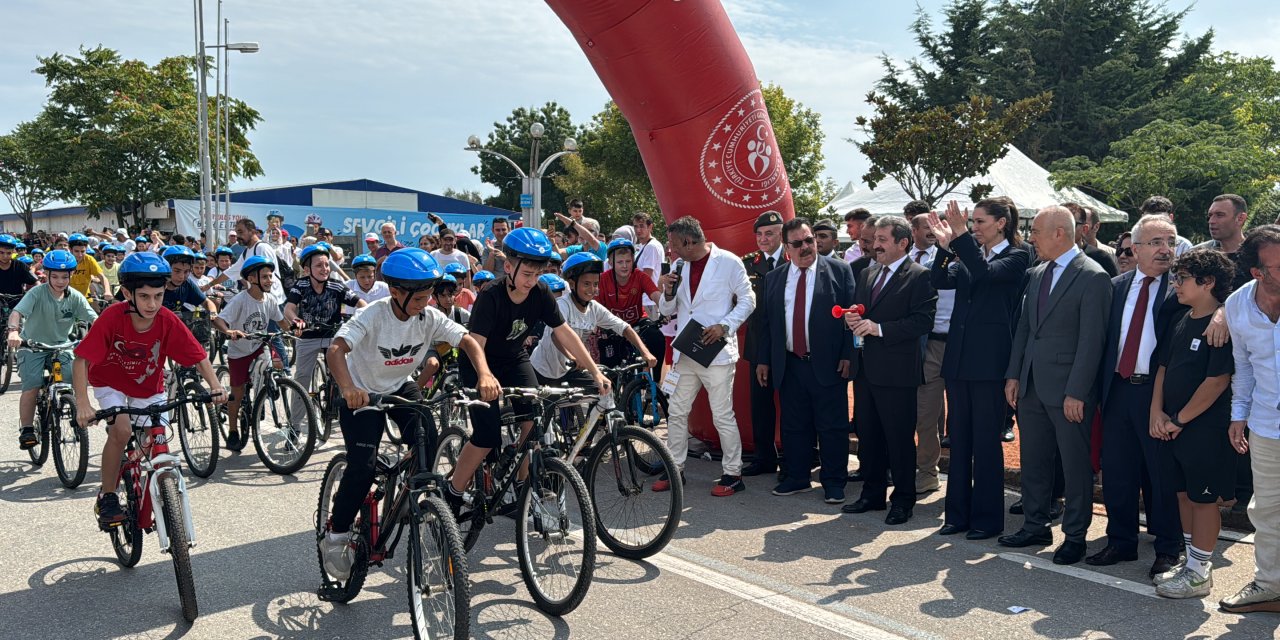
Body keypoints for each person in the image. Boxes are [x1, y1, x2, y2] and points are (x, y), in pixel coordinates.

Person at [318, 248, 496, 581]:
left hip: (400, 386)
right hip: (362, 392)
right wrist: (348, 389)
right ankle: (337, 532)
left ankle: (411, 502)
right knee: (363, 467)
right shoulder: (373, 315)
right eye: (420, 297)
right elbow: (336, 350)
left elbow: (469, 341)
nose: (426, 302)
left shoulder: (429, 316)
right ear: (396, 292)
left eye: (430, 295)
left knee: (425, 444)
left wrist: (484, 374)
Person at [445, 228, 606, 510]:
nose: (532, 282)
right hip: (479, 363)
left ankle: (521, 483)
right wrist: (484, 376)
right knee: (487, 436)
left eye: (537, 274)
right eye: (527, 275)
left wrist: (595, 371)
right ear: (508, 267)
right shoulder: (491, 296)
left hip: (513, 358)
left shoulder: (541, 292)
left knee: (533, 421)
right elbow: (476, 345)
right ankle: (454, 491)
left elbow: (564, 331)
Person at [73, 252, 226, 528]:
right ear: (126, 293)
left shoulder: (166, 319)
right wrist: (83, 403)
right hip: (111, 382)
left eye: (158, 295)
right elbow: (81, 359)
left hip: (148, 387)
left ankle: (154, 491)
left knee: (157, 439)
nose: (153, 303)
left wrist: (215, 385)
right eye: (144, 296)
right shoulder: (112, 316)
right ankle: (107, 496)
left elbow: (198, 354)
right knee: (121, 431)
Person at [1000, 205, 1112, 565]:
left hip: (1068, 391)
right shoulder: (1036, 273)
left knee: (1075, 465)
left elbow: (1092, 340)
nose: (1030, 238)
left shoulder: (1092, 276)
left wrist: (1077, 391)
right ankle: (1034, 525)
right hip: (1031, 385)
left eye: (1036, 232)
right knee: (1034, 461)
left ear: (1059, 234)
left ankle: (1075, 536)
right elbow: (1024, 329)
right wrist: (1014, 374)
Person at [926, 197, 1029, 539]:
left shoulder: (1017, 256)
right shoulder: (972, 254)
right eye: (972, 223)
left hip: (990, 364)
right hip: (959, 361)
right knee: (959, 440)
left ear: (1002, 223)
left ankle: (986, 519)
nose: (974, 228)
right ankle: (956, 514)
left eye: (980, 222)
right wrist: (945, 247)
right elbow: (937, 281)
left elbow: (985, 275)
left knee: (985, 442)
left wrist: (960, 239)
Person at [1089, 214, 1186, 577]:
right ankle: (1121, 541)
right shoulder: (1116, 286)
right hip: (1117, 390)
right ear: (1136, 248)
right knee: (1117, 471)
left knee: (1161, 474)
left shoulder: (1182, 288)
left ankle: (1168, 547)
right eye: (1157, 242)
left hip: (1158, 395)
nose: (1165, 250)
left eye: (1170, 242)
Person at [1148, 249, 1236, 599]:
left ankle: (1200, 572)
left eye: (1182, 278)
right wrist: (1157, 412)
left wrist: (1180, 419)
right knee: (1183, 495)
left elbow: (1217, 381)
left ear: (1208, 282)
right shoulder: (1182, 319)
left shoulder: (1221, 325)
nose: (1176, 284)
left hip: (1203, 429)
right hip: (1172, 426)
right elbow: (1164, 369)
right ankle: (1192, 564)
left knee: (1203, 500)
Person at [841, 215, 936, 524]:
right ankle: (872, 494)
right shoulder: (867, 275)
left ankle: (903, 500)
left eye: (882, 239)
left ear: (902, 243)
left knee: (898, 439)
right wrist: (852, 320)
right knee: (869, 436)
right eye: (875, 239)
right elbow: (859, 311)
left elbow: (922, 321)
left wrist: (879, 329)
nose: (875, 245)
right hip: (867, 370)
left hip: (897, 373)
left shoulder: (919, 276)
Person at [755, 218, 856, 504]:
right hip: (790, 364)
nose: (805, 247)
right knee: (794, 424)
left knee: (832, 426)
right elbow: (767, 324)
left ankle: (834, 482)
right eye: (797, 243)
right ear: (786, 248)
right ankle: (797, 477)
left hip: (828, 363)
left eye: (809, 240)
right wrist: (764, 360)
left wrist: (849, 354)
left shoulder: (839, 270)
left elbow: (852, 317)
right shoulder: (775, 277)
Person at [656, 216, 755, 496]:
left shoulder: (728, 262)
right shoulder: (678, 266)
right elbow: (667, 310)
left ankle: (732, 473)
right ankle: (675, 469)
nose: (671, 250)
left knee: (722, 414)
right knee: (676, 411)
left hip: (717, 352)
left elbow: (749, 300)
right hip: (686, 352)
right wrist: (667, 291)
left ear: (689, 242)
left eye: (675, 245)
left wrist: (725, 326)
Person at [1220, 225, 1280, 613]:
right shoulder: (1239, 305)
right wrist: (1238, 415)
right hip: (1265, 425)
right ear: (1258, 273)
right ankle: (1270, 585)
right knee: (1267, 509)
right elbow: (1242, 366)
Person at [11, 250, 98, 450]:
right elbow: (17, 312)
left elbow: (94, 319)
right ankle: (27, 429)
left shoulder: (75, 296)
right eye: (55, 276)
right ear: (47, 275)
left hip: (62, 346)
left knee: (74, 379)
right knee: (32, 385)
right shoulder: (36, 293)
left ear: (71, 276)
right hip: (32, 346)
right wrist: (14, 332)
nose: (60, 281)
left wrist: (106, 335)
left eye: (65, 276)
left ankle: (76, 410)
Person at [531, 252, 657, 389]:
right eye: (586, 284)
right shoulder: (562, 305)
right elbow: (556, 337)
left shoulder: (594, 308)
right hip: (541, 370)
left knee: (604, 389)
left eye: (596, 284)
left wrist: (645, 352)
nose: (592, 289)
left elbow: (625, 328)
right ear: (572, 284)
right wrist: (573, 357)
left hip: (569, 369)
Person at [284, 244, 366, 433]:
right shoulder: (301, 286)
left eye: (327, 265)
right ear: (307, 269)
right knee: (301, 380)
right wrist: (296, 320)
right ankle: (294, 426)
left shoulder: (337, 286)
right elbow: (289, 309)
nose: (325, 269)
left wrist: (362, 315)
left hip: (332, 338)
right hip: (308, 338)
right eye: (319, 266)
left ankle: (342, 409)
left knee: (345, 376)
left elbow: (360, 303)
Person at [211, 256, 285, 450]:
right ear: (252, 279)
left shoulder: (270, 299)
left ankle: (262, 397)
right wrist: (229, 331)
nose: (270, 280)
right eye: (266, 277)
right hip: (240, 351)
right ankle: (233, 430)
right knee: (238, 391)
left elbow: (282, 321)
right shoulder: (240, 300)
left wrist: (297, 326)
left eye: (271, 276)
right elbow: (218, 320)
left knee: (272, 368)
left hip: (259, 347)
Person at [741, 211, 788, 477]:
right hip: (758, 344)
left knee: (794, 404)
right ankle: (764, 458)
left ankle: (798, 456)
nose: (763, 239)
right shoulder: (749, 264)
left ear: (781, 235)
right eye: (759, 234)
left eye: (769, 233)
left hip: (789, 344)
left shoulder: (793, 259)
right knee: (760, 405)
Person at [597, 238, 666, 378]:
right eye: (620, 262)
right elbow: (595, 307)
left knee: (657, 337)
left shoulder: (639, 276)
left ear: (633, 260)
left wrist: (665, 309)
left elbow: (656, 295)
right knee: (610, 369)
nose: (624, 266)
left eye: (628, 261)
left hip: (637, 323)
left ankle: (655, 382)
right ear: (610, 263)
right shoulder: (602, 279)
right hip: (611, 326)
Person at [1065, 203, 1118, 277]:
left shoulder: (1103, 258)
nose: (1062, 230)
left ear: (1084, 228)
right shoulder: (1048, 256)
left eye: (1071, 224)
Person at [67, 233, 111, 301]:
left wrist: (107, 291)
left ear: (86, 248)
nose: (80, 255)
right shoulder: (65, 260)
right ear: (70, 249)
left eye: (83, 251)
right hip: (67, 297)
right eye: (76, 251)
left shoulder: (89, 259)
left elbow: (102, 277)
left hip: (85, 298)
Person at [630, 211, 666, 283]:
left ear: (650, 227)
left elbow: (646, 277)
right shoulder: (643, 245)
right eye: (635, 226)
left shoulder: (651, 246)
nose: (638, 230)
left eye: (641, 226)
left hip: (647, 293)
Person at [0, 234, 37, 299]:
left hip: (17, 305)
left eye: (9, 253)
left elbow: (36, 282)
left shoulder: (20, 266)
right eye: (1, 252)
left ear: (13, 251)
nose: (5, 256)